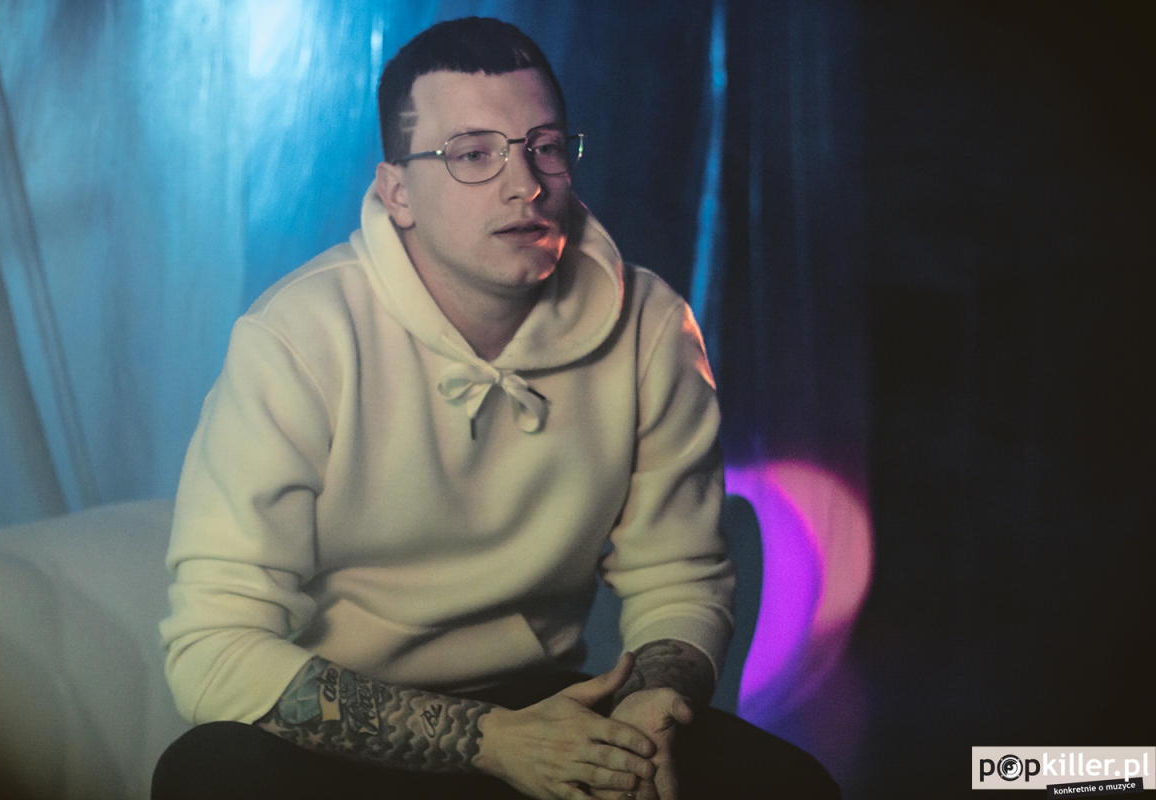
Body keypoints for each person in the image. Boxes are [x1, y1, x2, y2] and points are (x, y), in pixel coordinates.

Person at [152, 16, 838, 800]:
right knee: (206, 774)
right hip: (350, 723)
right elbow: (212, 648)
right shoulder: (296, 338)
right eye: (473, 154)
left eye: (545, 147)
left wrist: (650, 710)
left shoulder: (650, 326)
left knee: (788, 784)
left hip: (544, 701)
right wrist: (485, 742)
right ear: (397, 192)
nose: (526, 185)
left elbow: (679, 576)